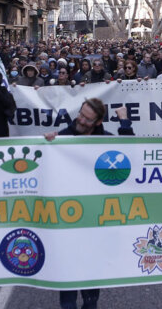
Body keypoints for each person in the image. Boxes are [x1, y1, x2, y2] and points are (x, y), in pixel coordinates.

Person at [44, 99, 133, 309]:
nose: (81, 120)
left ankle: (90, 302)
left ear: (98, 121)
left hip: (95, 221)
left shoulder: (105, 141)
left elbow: (130, 152)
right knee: (67, 277)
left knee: (91, 279)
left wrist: (124, 121)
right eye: (81, 114)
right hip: (67, 219)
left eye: (87, 119)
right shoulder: (63, 137)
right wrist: (48, 143)